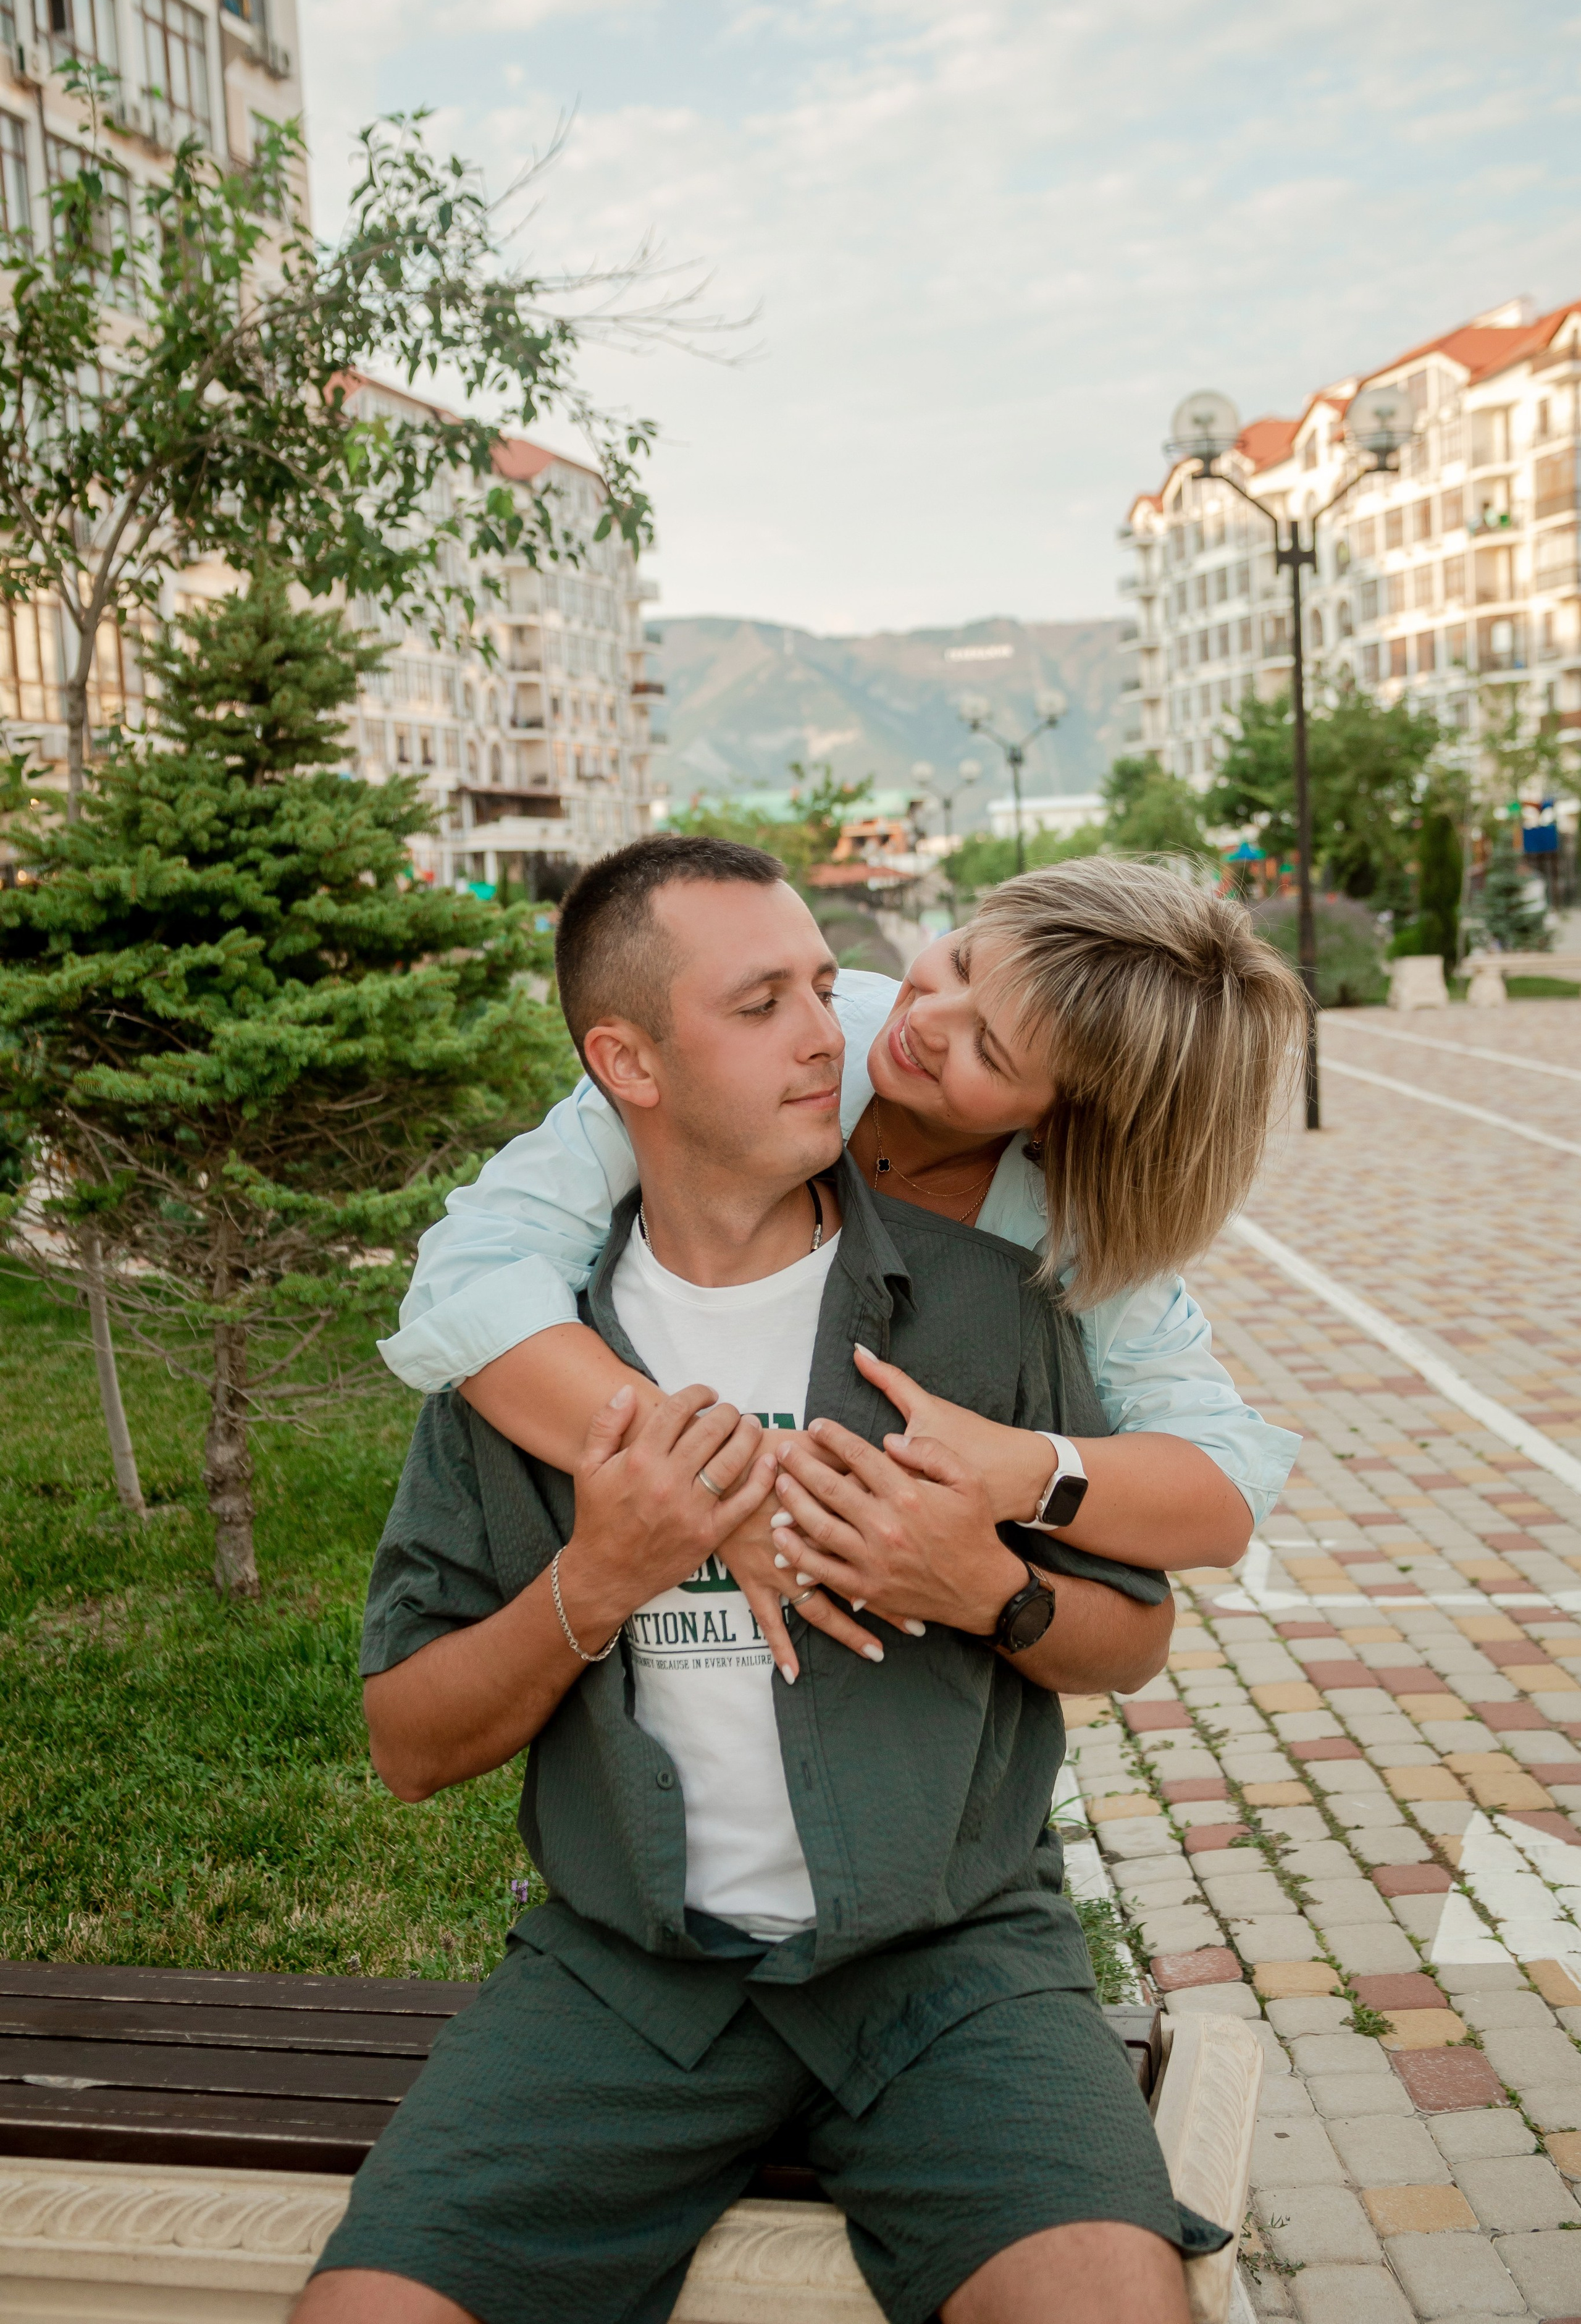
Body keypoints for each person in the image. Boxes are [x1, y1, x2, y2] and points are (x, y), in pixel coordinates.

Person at [298, 839, 1229, 2324]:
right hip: (623, 1981)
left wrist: (987, 1578)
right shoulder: (517, 1350)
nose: (837, 1032)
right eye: (762, 1004)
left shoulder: (995, 1312)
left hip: (953, 1976)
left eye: (821, 982)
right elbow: (409, 1749)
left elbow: (1144, 1617)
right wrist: (599, 1577)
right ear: (629, 1062)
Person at [379, 849, 1307, 1660]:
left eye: (988, 1044)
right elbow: (475, 1270)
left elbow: (1222, 1485)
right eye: (962, 960)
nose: (927, 1017)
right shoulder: (789, 1041)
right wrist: (720, 1490)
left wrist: (1017, 1470)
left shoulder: (1070, 1226)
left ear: (1065, 1126)